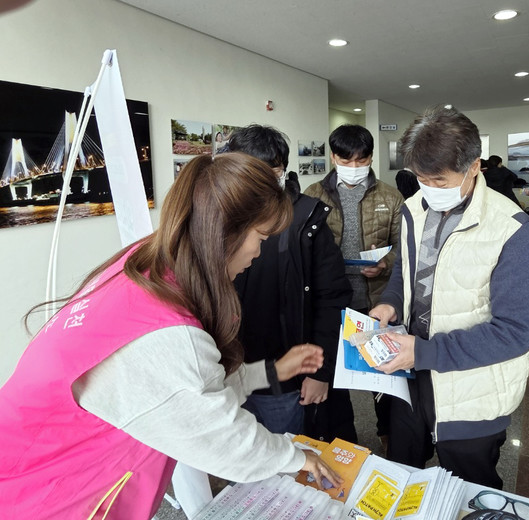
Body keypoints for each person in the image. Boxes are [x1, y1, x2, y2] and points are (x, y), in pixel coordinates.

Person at [0, 154, 342, 518]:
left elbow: (195, 386)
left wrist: (270, 372)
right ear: (223, 231)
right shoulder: (168, 334)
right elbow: (223, 439)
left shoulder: (144, 265)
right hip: (47, 495)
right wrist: (294, 458)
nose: (259, 252)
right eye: (260, 237)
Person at [369, 106, 529, 489]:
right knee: (403, 477)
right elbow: (406, 271)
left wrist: (424, 352)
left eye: (439, 180)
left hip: (472, 392)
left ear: (474, 166)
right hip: (411, 380)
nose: (430, 189)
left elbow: (515, 332)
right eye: (421, 179)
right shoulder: (413, 209)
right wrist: (391, 302)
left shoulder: (512, 230)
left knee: (468, 490)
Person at [221, 125, 352, 439]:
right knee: (236, 454)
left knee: (287, 454)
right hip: (227, 372)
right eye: (251, 172)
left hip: (284, 377)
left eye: (272, 171)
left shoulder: (307, 219)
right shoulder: (219, 215)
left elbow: (331, 299)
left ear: (283, 171)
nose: (262, 182)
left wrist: (320, 372)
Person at [304, 124, 404, 446]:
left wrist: (385, 263)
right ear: (333, 157)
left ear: (371, 158)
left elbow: (405, 247)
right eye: (346, 160)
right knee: (332, 375)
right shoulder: (313, 195)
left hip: (374, 301)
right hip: (329, 303)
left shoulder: (390, 196)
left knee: (383, 374)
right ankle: (341, 438)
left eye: (361, 160)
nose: (354, 167)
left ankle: (388, 433)